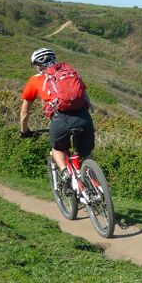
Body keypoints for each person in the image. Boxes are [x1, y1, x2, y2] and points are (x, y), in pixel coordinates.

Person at [19, 47, 94, 182]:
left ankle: (66, 173)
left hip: (60, 119)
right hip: (83, 117)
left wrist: (24, 131)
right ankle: (97, 188)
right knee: (86, 155)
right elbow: (86, 98)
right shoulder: (70, 72)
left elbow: (25, 111)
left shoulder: (34, 80)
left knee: (57, 149)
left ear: (37, 65)